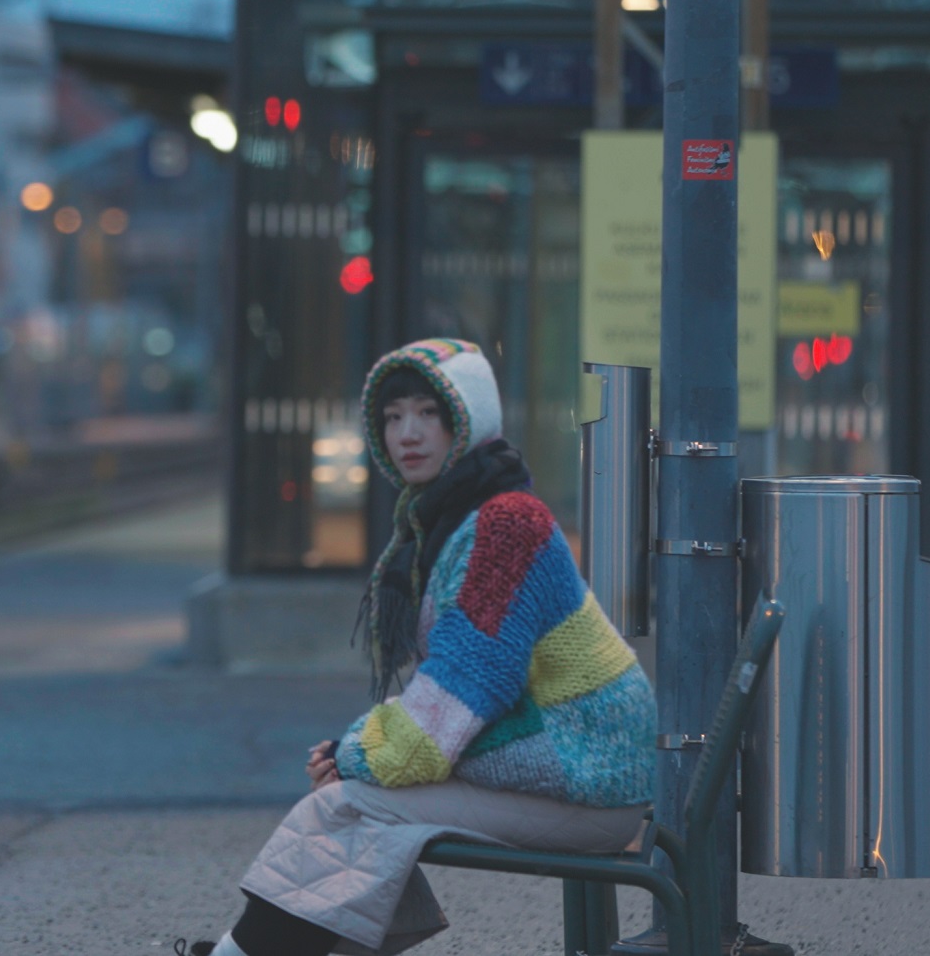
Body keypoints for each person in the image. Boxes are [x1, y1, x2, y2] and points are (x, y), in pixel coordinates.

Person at [176, 338, 658, 956]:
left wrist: (354, 753)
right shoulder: (449, 522)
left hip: (590, 783)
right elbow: (451, 706)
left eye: (430, 413)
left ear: (469, 418)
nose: (408, 433)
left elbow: (459, 697)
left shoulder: (506, 525)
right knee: (357, 803)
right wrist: (354, 749)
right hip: (556, 766)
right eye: (393, 416)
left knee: (346, 806)